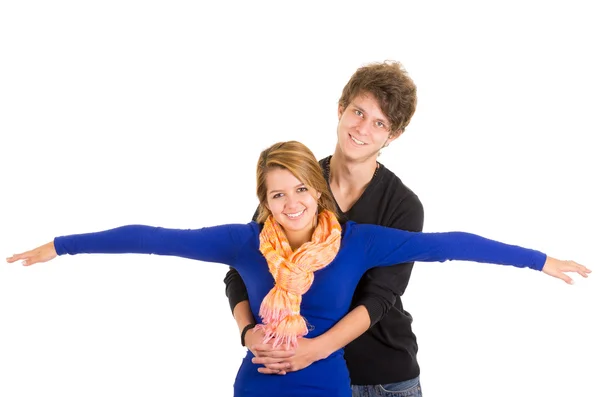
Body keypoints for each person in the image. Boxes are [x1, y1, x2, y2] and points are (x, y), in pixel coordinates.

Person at [6, 140, 590, 397]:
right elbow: (153, 239)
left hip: (327, 383)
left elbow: (450, 244)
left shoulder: (360, 242)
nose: (291, 204)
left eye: (300, 189)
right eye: (276, 194)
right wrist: (62, 246)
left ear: (318, 189)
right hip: (258, 384)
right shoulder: (244, 242)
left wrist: (539, 261)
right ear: (264, 199)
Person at [225, 60, 423, 396]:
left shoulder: (402, 206)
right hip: (300, 375)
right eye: (358, 112)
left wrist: (315, 349)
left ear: (394, 135)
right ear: (341, 109)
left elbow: (380, 297)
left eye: (379, 123)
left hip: (380, 378)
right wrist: (248, 333)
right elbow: (240, 270)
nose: (362, 129)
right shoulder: (294, 185)